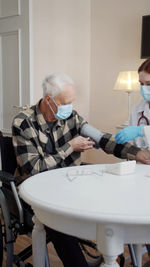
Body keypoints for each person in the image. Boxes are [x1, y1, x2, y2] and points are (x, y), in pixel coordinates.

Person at [12, 73, 150, 267]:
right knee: (59, 219)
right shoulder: (24, 123)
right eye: (66, 102)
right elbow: (34, 168)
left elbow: (102, 139)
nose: (70, 107)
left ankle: (110, 253)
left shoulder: (71, 117)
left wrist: (136, 153)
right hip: (38, 192)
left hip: (69, 185)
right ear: (49, 100)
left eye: (72, 101)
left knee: (111, 197)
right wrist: (70, 146)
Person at [115, 58, 150, 149]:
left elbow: (139, 132)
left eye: (148, 84)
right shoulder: (138, 108)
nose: (144, 88)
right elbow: (130, 144)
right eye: (141, 84)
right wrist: (103, 141)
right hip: (141, 162)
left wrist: (142, 131)